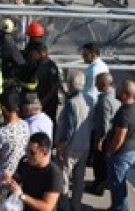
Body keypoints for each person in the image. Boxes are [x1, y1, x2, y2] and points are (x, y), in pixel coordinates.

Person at [54, 71, 92, 211]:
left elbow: (68, 130)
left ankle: (64, 206)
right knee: (79, 179)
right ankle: (76, 206)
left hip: (70, 147)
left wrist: (60, 146)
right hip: (85, 144)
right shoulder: (89, 99)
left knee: (64, 178)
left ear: (71, 85)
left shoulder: (72, 103)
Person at [105, 80, 135, 211]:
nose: (116, 90)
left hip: (121, 154)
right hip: (132, 150)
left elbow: (120, 137)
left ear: (125, 94)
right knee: (120, 183)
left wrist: (110, 151)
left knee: (117, 186)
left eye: (119, 89)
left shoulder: (124, 113)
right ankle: (116, 207)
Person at [6, 132, 63, 211]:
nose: (28, 154)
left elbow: (47, 207)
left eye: (32, 153)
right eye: (27, 150)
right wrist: (9, 181)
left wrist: (21, 195)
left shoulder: (54, 174)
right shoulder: (25, 161)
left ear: (45, 153)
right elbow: (17, 178)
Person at [86, 72, 121, 196]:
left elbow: (104, 124)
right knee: (103, 164)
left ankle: (98, 186)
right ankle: (100, 183)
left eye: (98, 83)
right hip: (111, 136)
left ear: (105, 85)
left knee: (99, 163)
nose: (95, 86)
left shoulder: (104, 101)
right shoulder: (115, 96)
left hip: (103, 137)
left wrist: (99, 140)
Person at [0, 91, 31, 176]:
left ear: (3, 108)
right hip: (20, 173)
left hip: (3, 176)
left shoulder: (2, 132)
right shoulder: (25, 124)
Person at [30, 43, 62, 124]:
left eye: (35, 54)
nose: (34, 56)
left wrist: (43, 102)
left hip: (48, 103)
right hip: (38, 100)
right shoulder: (36, 64)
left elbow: (54, 87)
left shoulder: (51, 67)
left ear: (42, 53)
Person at [82, 42, 109, 108]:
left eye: (85, 54)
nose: (83, 56)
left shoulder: (94, 70)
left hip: (91, 105)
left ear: (93, 55)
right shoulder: (104, 65)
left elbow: (90, 92)